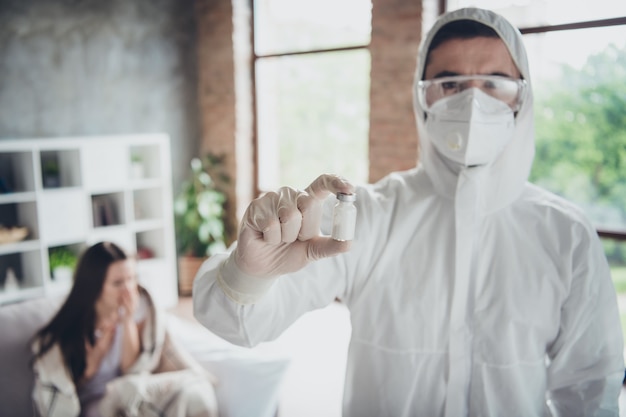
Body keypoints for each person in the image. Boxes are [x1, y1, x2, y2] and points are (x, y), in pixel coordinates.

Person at [193, 7, 624, 416]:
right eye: (450, 83)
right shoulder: (369, 214)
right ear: (423, 97)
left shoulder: (564, 233)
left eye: (494, 82)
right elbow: (239, 326)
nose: (473, 102)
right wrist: (250, 274)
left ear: (521, 97)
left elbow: (589, 387)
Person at [32, 241, 218, 417]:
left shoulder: (138, 312)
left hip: (128, 393)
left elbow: (132, 369)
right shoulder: (73, 326)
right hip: (95, 404)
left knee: (194, 389)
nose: (128, 288)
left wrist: (127, 320)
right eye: (118, 283)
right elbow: (71, 388)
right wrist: (94, 360)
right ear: (94, 287)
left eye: (132, 278)